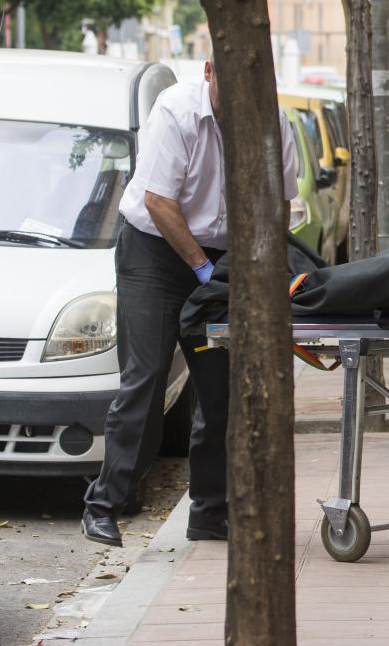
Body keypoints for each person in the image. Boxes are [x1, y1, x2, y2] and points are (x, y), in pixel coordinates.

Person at [82, 60, 297, 547]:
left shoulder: (273, 120)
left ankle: (209, 511)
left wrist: (248, 266)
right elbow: (159, 201)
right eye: (232, 81)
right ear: (208, 73)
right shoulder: (175, 111)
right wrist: (202, 269)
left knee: (219, 389)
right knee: (147, 379)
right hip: (154, 255)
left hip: (221, 259)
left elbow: (280, 202)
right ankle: (105, 503)